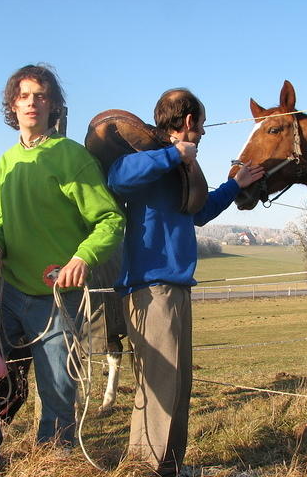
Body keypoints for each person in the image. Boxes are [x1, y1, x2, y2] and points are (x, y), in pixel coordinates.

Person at [0, 64, 125, 473]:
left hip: (56, 296)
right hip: (7, 291)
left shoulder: (71, 157)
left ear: (54, 105)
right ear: (13, 104)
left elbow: (110, 221)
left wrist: (82, 257)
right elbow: (2, 218)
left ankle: (52, 459)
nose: (32, 102)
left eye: (41, 95)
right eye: (24, 95)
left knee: (58, 391)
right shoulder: (6, 162)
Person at [107, 88, 264, 476]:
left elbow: (199, 211)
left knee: (175, 385)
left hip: (173, 287)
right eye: (203, 126)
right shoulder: (148, 158)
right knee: (161, 386)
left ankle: (168, 466)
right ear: (190, 122)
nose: (204, 133)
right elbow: (117, 177)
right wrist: (172, 154)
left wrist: (236, 184)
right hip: (151, 287)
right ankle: (150, 468)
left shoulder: (180, 168)